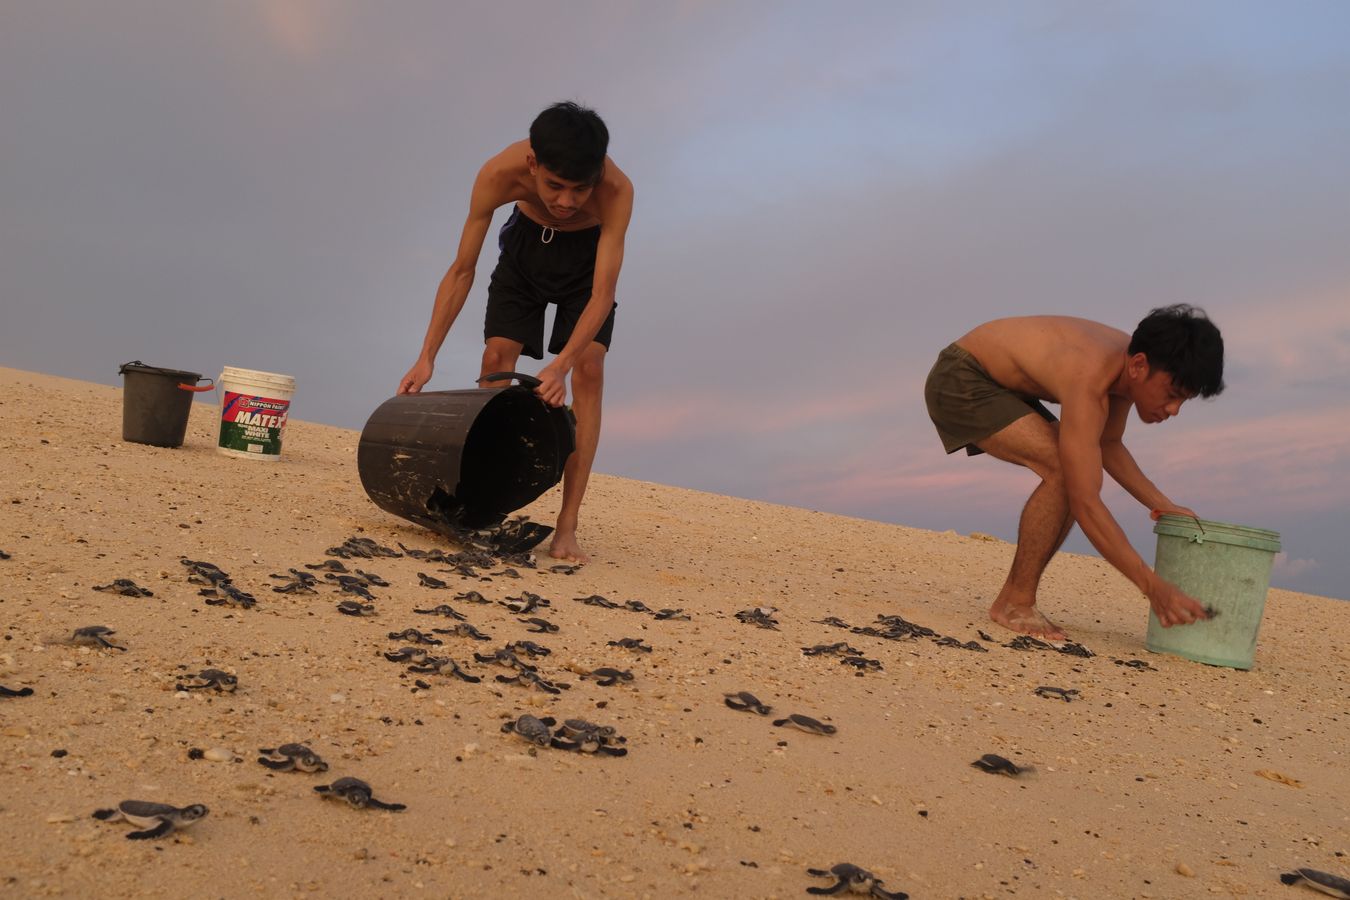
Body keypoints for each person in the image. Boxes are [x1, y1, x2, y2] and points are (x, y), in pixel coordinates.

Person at [398, 101, 633, 563]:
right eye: (554, 186)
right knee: (494, 360)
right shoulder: (498, 174)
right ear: (533, 164)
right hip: (526, 249)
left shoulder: (617, 191)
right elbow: (463, 269)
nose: (566, 202)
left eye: (579, 190)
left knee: (589, 367)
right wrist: (427, 355)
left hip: (585, 266)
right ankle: (481, 501)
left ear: (598, 175)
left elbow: (602, 294)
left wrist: (561, 365)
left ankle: (567, 526)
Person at [923, 305, 1225, 639]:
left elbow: (1108, 443)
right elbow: (1086, 502)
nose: (1174, 410)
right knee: (1066, 471)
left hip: (1002, 385)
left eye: (1184, 401)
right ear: (1139, 365)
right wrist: (1151, 586)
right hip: (962, 376)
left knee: (1072, 467)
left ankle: (1015, 598)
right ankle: (1015, 603)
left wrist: (1161, 503)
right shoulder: (1089, 375)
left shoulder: (1126, 372)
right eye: (1172, 395)